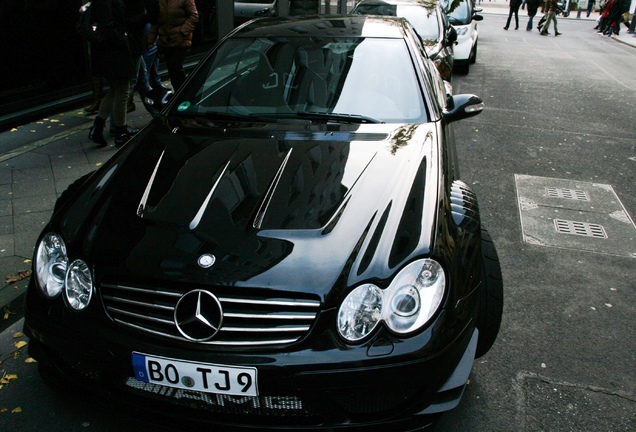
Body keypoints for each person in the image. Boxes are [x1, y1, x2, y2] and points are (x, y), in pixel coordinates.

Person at [88, 0, 136, 147]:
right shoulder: (106, 3)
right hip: (114, 52)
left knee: (115, 90)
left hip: (108, 52)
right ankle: (120, 132)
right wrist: (123, 40)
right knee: (123, 91)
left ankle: (98, 127)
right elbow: (108, 25)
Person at [147, 0, 199, 92]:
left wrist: (182, 31)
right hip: (166, 40)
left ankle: (183, 93)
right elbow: (156, 21)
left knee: (175, 66)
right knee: (172, 68)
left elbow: (194, 16)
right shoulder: (160, 2)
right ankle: (179, 93)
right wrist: (150, 40)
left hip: (180, 39)